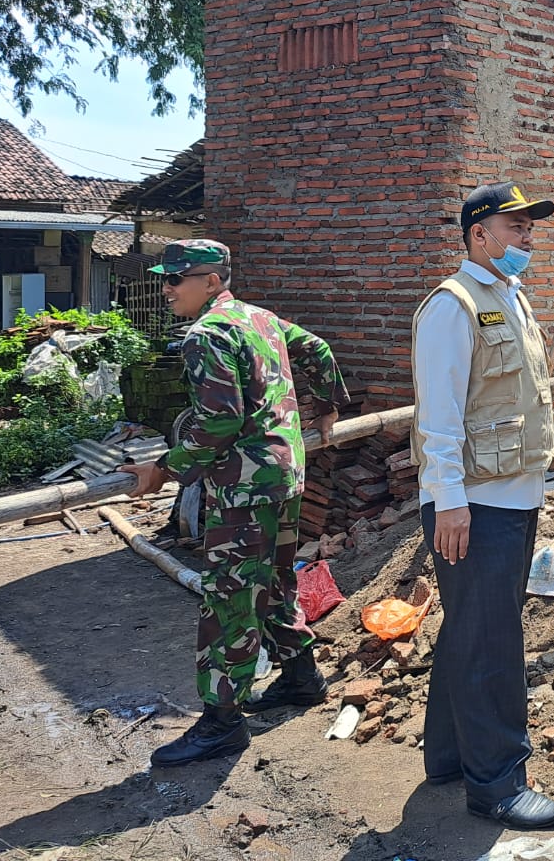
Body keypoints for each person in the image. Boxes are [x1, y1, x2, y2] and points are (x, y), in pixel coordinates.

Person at [119, 239, 348, 768]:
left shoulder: (208, 333)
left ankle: (222, 723)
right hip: (285, 476)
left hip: (245, 488)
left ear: (214, 281)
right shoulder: (259, 319)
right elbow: (317, 349)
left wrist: (162, 470)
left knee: (229, 598)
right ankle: (299, 677)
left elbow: (219, 421)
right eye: (166, 278)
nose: (168, 288)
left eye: (179, 278)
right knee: (273, 581)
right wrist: (327, 409)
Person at [411, 181, 554, 831]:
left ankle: (450, 757)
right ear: (479, 235)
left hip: (510, 498)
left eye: (530, 229)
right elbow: (439, 416)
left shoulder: (510, 298)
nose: (527, 239)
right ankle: (498, 783)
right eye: (515, 228)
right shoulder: (453, 307)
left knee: (470, 631)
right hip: (472, 504)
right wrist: (449, 502)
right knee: (491, 642)